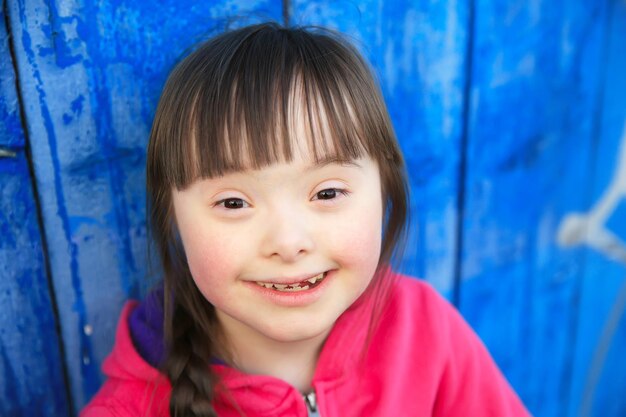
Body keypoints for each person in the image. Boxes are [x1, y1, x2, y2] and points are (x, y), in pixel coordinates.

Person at [81, 22, 530, 417]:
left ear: (383, 193)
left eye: (328, 192)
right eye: (234, 203)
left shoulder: (426, 332)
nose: (289, 241)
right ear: (172, 214)